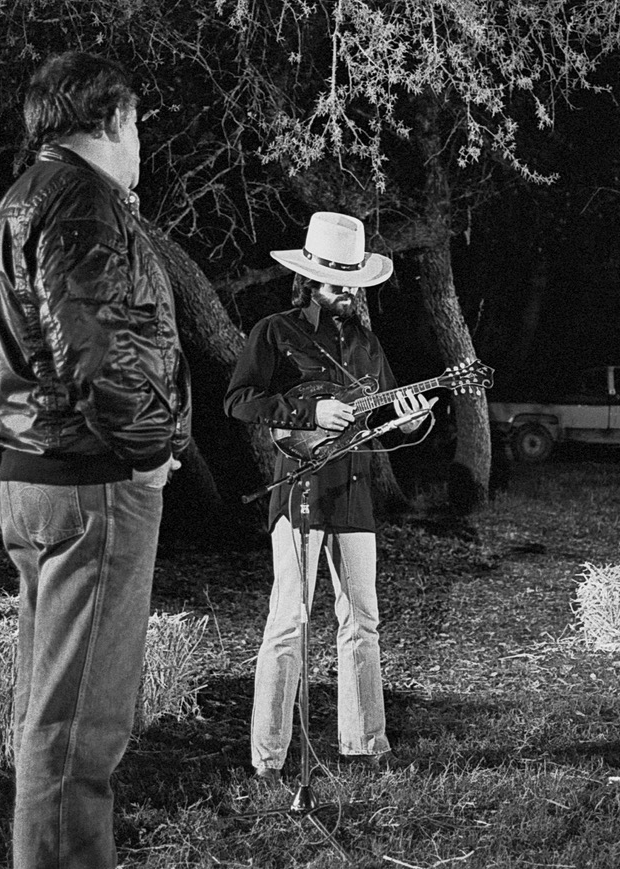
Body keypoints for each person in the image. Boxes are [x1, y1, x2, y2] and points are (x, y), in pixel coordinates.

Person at [0, 51, 191, 869]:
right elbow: (97, 352)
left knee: (48, 711)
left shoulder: (16, 205)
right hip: (89, 482)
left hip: (34, 476)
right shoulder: (80, 204)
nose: (142, 147)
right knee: (81, 729)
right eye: (137, 127)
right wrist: (148, 451)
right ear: (113, 121)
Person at [224, 211, 432, 782]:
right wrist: (304, 411)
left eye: (355, 284)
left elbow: (387, 413)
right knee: (288, 620)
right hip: (298, 492)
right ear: (311, 279)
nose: (348, 294)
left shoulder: (366, 342)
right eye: (339, 283)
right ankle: (268, 757)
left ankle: (364, 742)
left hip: (356, 493)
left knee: (363, 619)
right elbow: (239, 401)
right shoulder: (274, 331)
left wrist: (410, 423)